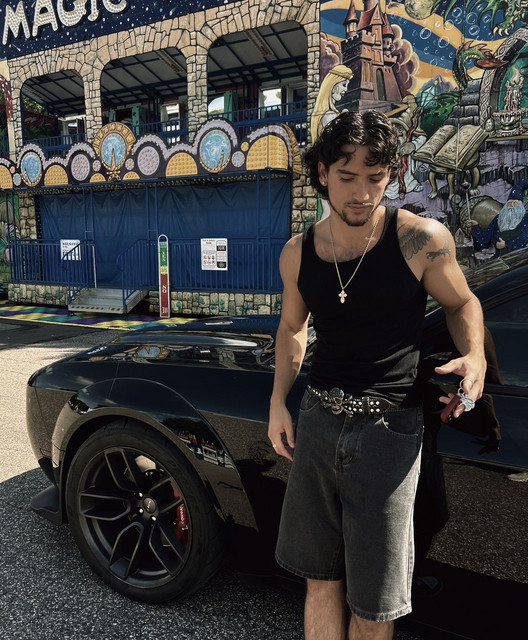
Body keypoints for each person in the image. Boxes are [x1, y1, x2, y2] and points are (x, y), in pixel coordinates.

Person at [268, 110, 486, 640]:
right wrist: (278, 402)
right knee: (319, 580)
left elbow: (462, 303)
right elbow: (292, 328)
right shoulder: (298, 253)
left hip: (390, 434)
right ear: (323, 173)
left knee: (374, 602)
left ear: (393, 174)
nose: (362, 193)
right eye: (348, 176)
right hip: (318, 421)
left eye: (376, 176)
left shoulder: (421, 240)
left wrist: (475, 355)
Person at [471, 179, 528, 256]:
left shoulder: (526, 218)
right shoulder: (498, 219)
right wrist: (475, 226)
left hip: (521, 259)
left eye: (515, 203)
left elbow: (524, 237)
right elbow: (484, 241)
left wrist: (507, 244)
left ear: (520, 206)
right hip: (500, 259)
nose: (511, 206)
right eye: (509, 203)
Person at [310, 65, 353, 143]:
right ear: (332, 85)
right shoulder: (329, 116)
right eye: (344, 85)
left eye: (347, 85)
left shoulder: (326, 114)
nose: (346, 89)